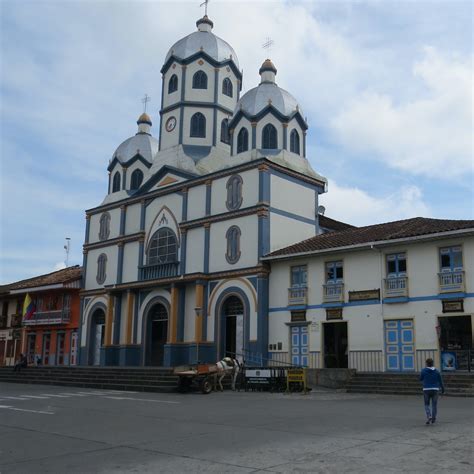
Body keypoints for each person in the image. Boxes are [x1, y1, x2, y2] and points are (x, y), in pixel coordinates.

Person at [420, 358, 445, 424]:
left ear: (426, 363)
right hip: (435, 389)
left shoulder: (423, 371)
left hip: (426, 389)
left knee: (426, 404)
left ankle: (429, 416)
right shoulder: (437, 371)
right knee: (434, 405)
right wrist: (443, 389)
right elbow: (440, 381)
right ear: (432, 363)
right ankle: (433, 418)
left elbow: (420, 379)